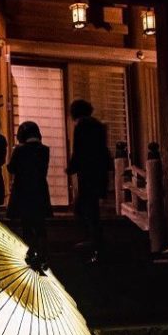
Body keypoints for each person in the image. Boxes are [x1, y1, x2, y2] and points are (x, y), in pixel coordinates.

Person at [66, 99, 110, 261]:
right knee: (91, 207)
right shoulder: (98, 126)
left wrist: (72, 167)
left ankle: (93, 242)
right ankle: (96, 243)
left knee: (82, 207)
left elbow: (79, 150)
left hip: (88, 172)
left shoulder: (81, 126)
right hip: (98, 172)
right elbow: (103, 150)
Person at [7, 121, 52, 269]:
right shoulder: (45, 150)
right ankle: (43, 254)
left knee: (26, 224)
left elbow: (11, 167)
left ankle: (31, 252)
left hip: (23, 191)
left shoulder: (20, 150)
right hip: (39, 190)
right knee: (40, 225)